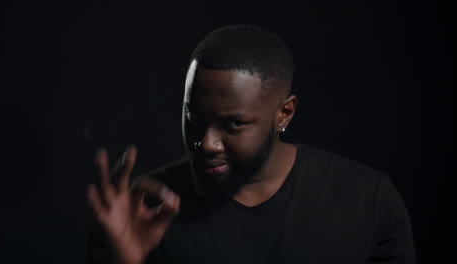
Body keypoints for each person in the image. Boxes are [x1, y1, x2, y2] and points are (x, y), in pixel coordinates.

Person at [86, 25, 416, 264]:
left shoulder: (367, 200)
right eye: (194, 117)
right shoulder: (141, 210)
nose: (206, 142)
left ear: (284, 113)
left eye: (234, 123)